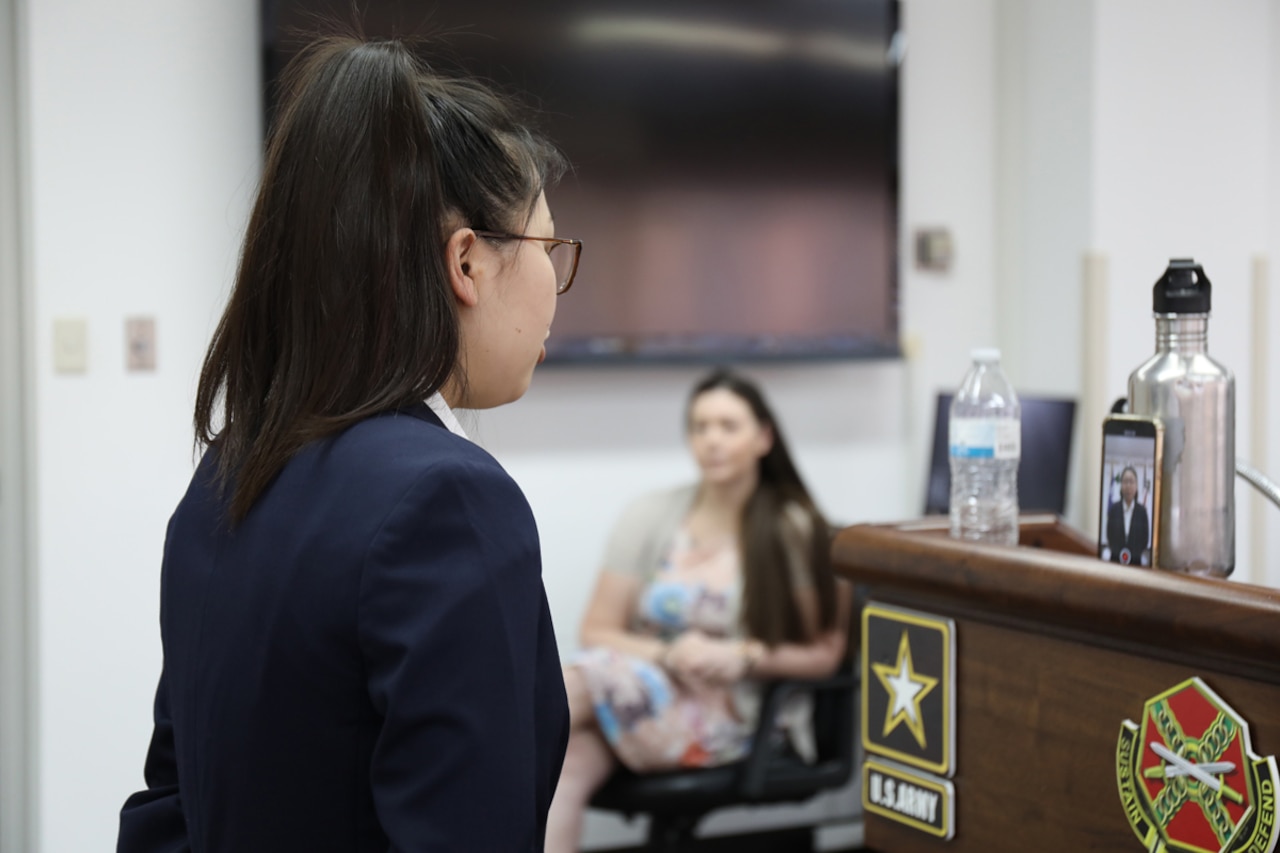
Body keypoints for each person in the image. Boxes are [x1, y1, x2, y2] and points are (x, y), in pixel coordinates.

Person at [117, 35, 582, 852]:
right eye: (550, 248)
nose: (557, 281)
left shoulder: (229, 472)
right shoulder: (446, 498)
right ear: (467, 262)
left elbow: (168, 806)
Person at [545, 370, 851, 852]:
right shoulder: (650, 513)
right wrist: (667, 654)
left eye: (728, 426)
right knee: (565, 766)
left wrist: (743, 656)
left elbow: (825, 653)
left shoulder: (797, 528)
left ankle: (477, 746)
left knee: (558, 698)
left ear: (763, 437)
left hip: (737, 714)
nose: (711, 440)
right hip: (648, 692)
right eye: (700, 426)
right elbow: (597, 629)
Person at [1107, 466, 1150, 566]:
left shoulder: (1142, 511)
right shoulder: (1114, 509)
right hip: (1115, 561)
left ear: (1136, 486)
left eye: (1131, 481)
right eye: (1125, 481)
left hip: (1135, 563)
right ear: (1121, 486)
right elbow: (1110, 536)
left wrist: (1131, 555)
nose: (1128, 485)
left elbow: (1145, 540)